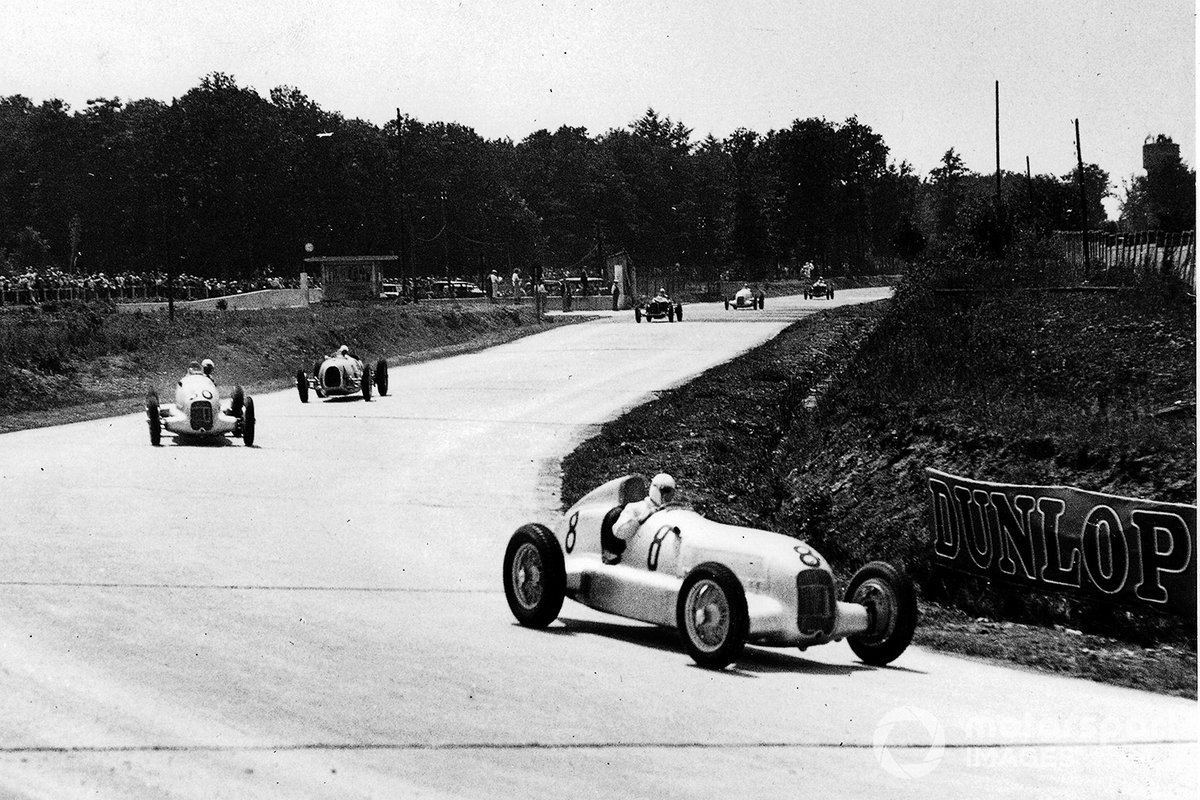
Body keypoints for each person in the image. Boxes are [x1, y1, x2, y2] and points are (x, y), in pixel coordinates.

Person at [603, 473, 677, 564]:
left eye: (670, 492)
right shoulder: (636, 507)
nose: (668, 496)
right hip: (635, 559)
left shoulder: (670, 511)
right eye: (665, 491)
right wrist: (640, 519)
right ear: (656, 489)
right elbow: (619, 532)